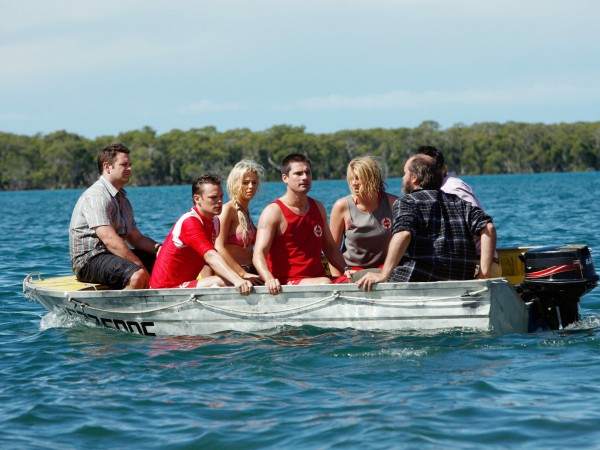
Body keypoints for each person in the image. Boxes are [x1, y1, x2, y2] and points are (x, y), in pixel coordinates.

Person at [357, 154, 497, 291]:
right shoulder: (459, 202)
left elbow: (403, 234)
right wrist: (484, 274)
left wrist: (383, 275)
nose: (403, 177)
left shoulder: (407, 202)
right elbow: (489, 228)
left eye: (405, 173)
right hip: (460, 279)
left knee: (357, 278)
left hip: (416, 278)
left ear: (414, 178)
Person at [252, 153, 350, 295]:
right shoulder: (273, 212)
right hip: (287, 283)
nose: (305, 177)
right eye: (298, 173)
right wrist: (268, 279)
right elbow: (258, 254)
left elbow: (330, 247)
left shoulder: (318, 207)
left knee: (358, 280)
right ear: (285, 178)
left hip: (319, 279)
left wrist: (346, 269)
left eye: (308, 172)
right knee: (324, 283)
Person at [69, 143, 160, 290]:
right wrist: (139, 266)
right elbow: (109, 239)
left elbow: (137, 239)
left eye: (130, 164)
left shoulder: (123, 199)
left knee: (165, 261)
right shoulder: (96, 196)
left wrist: (161, 250)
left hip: (112, 256)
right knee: (137, 274)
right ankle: (128, 304)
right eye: (124, 165)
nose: (129, 169)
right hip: (89, 261)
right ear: (107, 167)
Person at [149, 174, 253, 295]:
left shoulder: (215, 222)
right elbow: (210, 256)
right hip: (164, 290)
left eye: (221, 196)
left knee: (231, 279)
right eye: (213, 198)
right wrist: (237, 280)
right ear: (197, 199)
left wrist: (241, 275)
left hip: (185, 285)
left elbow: (207, 262)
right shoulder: (190, 222)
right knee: (228, 281)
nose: (220, 201)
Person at [416, 145, 501, 277]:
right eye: (423, 168)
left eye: (431, 168)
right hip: (457, 263)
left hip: (477, 264)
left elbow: (485, 227)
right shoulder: (432, 193)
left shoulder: (452, 189)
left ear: (443, 168)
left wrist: (483, 275)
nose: (428, 172)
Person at [329, 156, 398, 280]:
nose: (354, 183)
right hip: (352, 271)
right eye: (351, 178)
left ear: (373, 179)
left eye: (358, 178)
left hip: (384, 269)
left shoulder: (393, 203)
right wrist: (338, 279)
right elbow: (332, 250)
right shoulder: (341, 206)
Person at [215, 160, 265, 285]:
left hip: (251, 271)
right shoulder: (227, 210)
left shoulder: (245, 212)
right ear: (235, 183)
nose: (251, 186)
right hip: (235, 275)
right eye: (245, 183)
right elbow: (218, 247)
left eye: (254, 182)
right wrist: (242, 274)